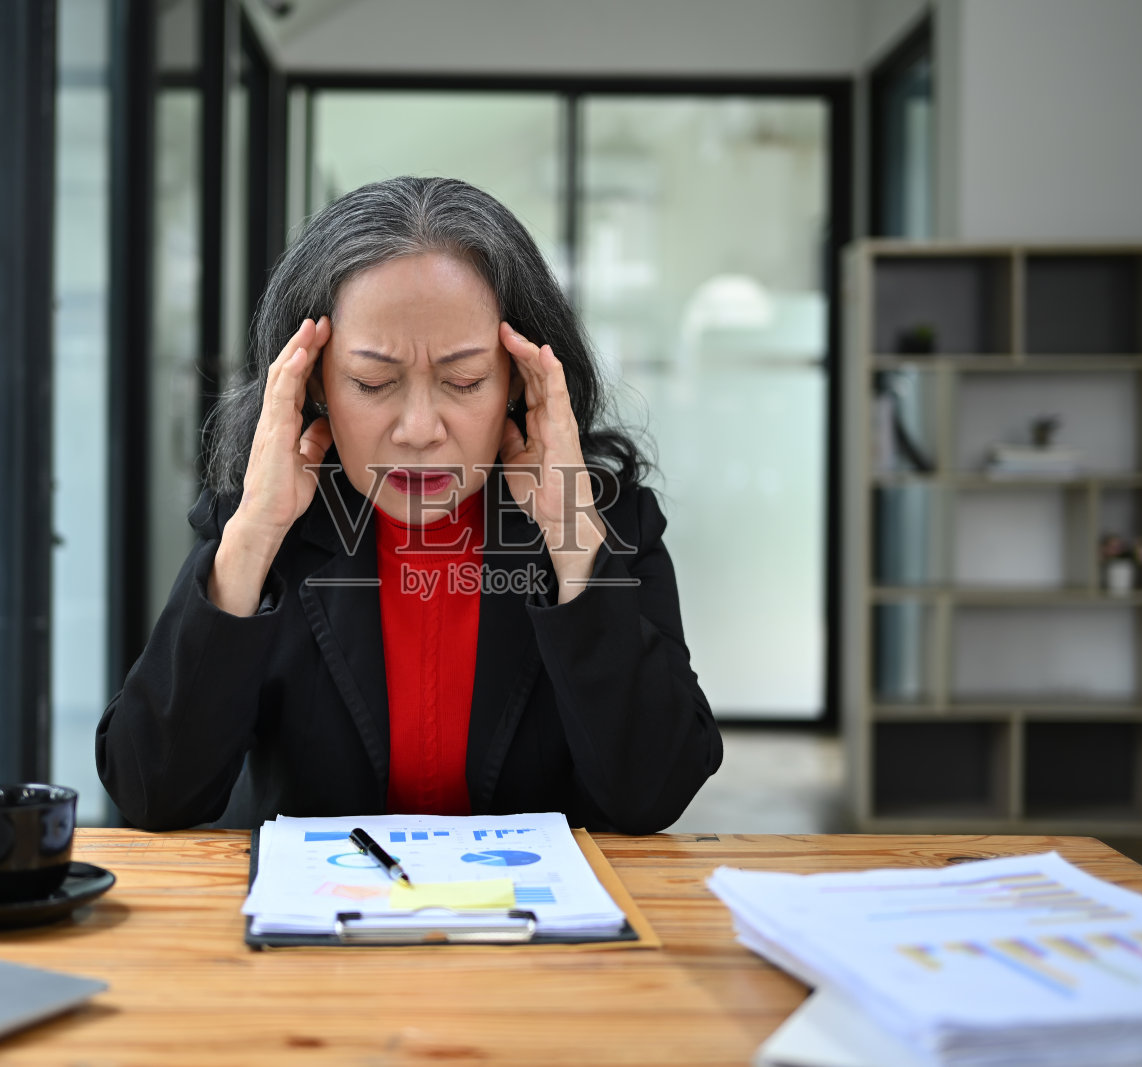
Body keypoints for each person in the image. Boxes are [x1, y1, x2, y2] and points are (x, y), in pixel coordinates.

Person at [96, 176, 720, 834]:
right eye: (373, 382)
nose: (419, 427)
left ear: (521, 382)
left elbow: (653, 792)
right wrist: (252, 538)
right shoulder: (262, 526)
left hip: (540, 930)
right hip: (326, 924)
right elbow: (150, 790)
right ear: (311, 385)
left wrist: (571, 540)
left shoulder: (607, 524)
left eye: (464, 380)